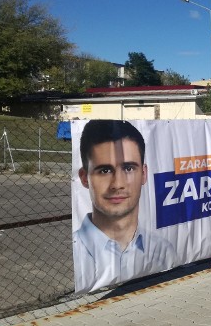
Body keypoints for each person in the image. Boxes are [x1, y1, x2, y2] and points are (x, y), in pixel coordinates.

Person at [73, 120, 176, 293]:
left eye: (128, 168)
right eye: (105, 171)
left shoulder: (163, 250)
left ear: (143, 174)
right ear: (84, 178)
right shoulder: (75, 253)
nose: (118, 184)